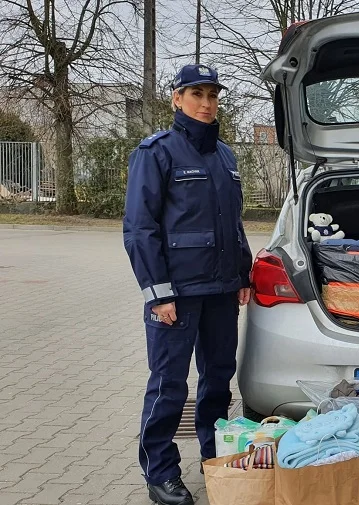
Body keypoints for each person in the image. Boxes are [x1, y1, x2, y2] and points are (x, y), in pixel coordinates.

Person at [123, 64, 253, 505]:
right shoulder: (155, 152)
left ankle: (214, 457)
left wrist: (243, 273)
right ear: (176, 99)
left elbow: (233, 224)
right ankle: (160, 473)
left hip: (219, 292)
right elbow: (140, 228)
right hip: (175, 295)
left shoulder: (225, 156)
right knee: (169, 385)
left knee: (218, 379)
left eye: (212, 95)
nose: (206, 103)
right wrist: (157, 293)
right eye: (196, 94)